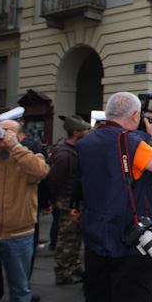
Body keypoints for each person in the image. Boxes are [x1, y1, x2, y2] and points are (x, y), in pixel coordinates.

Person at [72, 92, 152, 302]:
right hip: (129, 240)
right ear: (134, 116)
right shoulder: (132, 142)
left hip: (96, 237)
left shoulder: (85, 143)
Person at [0, 118, 49, 302]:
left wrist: (15, 147)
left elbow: (40, 172)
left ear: (20, 136)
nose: (1, 135)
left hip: (20, 234)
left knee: (20, 289)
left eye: (8, 132)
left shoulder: (30, 157)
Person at [47, 115, 90, 285]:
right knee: (66, 237)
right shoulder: (64, 154)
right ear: (75, 132)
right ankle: (63, 271)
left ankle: (73, 265)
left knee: (75, 236)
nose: (87, 132)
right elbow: (53, 180)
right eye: (84, 130)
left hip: (75, 200)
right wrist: (53, 201)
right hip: (66, 200)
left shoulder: (75, 149)